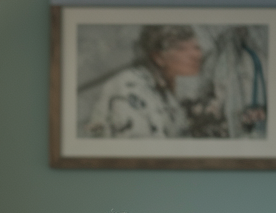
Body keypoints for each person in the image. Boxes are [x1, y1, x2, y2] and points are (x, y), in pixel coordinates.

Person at [85, 25, 227, 138]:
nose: (196, 55)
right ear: (158, 57)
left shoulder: (165, 92)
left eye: (196, 47)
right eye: (181, 48)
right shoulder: (129, 88)